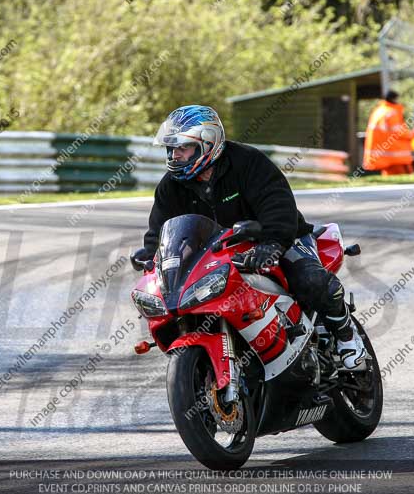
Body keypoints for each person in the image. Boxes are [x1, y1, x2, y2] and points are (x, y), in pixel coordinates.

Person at [131, 105, 366, 369]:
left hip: (278, 237)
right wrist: (152, 256)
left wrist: (274, 244)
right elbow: (161, 229)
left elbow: (278, 204)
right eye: (171, 149)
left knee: (309, 279)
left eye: (182, 148)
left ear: (208, 143)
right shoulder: (171, 186)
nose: (175, 155)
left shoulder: (247, 162)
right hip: (220, 253)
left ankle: (346, 335)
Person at [363, 90, 414, 176]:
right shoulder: (391, 113)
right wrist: (412, 135)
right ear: (394, 99)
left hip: (383, 154)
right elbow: (398, 132)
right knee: (404, 176)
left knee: (389, 177)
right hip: (394, 154)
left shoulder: (378, 111)